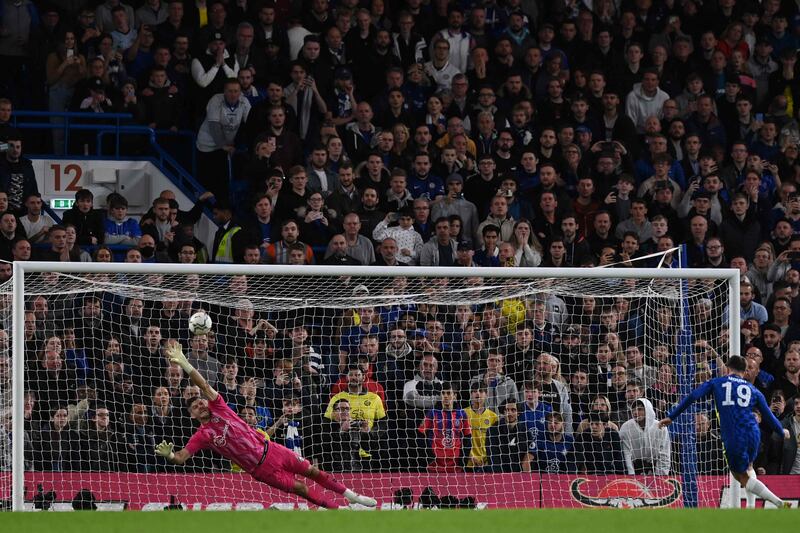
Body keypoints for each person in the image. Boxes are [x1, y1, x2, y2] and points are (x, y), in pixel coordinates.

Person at [154, 340, 377, 508]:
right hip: (261, 469)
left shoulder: (219, 407)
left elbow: (203, 384)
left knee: (311, 470)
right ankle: (339, 510)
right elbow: (182, 457)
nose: (201, 406)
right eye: (195, 408)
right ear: (192, 415)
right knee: (301, 488)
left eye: (201, 403)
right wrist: (170, 456)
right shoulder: (203, 435)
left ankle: (352, 496)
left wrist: (184, 362)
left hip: (273, 450)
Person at [659, 355, 791, 508]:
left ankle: (779, 503)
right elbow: (768, 415)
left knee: (740, 476)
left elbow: (693, 396)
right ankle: (750, 507)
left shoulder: (717, 382)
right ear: (745, 371)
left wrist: (672, 416)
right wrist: (781, 431)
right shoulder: (753, 389)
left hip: (735, 435)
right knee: (749, 466)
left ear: (728, 368)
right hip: (754, 433)